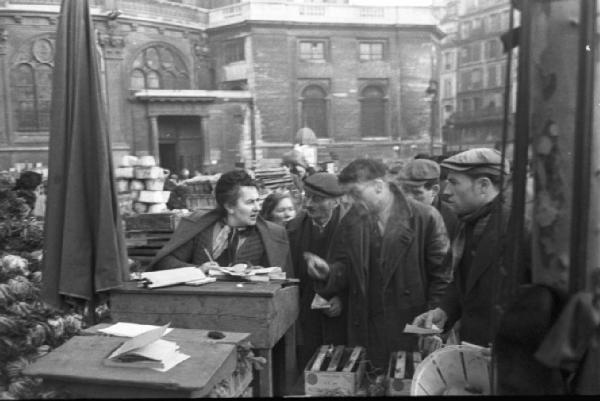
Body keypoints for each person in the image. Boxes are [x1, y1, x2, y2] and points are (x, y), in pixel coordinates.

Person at [306, 159, 451, 370]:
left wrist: (432, 327)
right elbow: (344, 268)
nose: (351, 201)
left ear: (378, 186)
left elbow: (443, 279)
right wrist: (328, 272)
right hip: (365, 327)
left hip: (409, 327)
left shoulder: (425, 218)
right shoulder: (353, 220)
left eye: (356, 193)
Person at [412, 148, 529, 348]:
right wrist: (444, 311)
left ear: (483, 185)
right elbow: (464, 283)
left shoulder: (519, 230)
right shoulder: (469, 224)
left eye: (454, 182)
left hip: (505, 356)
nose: (446, 191)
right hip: (476, 351)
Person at [147, 169, 292, 275]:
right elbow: (164, 262)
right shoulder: (200, 228)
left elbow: (283, 281)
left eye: (257, 201)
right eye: (249, 202)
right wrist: (198, 270)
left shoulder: (272, 235)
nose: (257, 208)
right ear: (229, 206)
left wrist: (261, 273)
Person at [286, 173, 348, 371]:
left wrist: (342, 299)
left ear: (336, 201)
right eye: (307, 197)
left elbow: (362, 271)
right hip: (306, 314)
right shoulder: (293, 230)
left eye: (318, 199)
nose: (309, 204)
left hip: (343, 316)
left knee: (340, 369)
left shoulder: (353, 229)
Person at [398, 158, 460, 241]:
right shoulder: (395, 214)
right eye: (405, 191)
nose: (409, 198)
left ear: (435, 190)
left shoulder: (451, 219)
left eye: (416, 193)